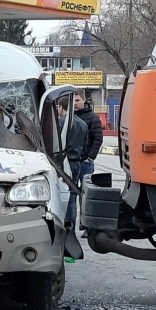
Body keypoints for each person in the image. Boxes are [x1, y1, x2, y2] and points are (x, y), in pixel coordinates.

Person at [57, 96, 87, 228]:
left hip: (64, 164)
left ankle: (65, 226)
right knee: (73, 197)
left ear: (61, 107)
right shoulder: (83, 124)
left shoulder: (60, 122)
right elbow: (85, 146)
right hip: (77, 163)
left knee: (63, 195)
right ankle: (72, 228)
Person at [74, 89, 103, 185]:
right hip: (71, 161)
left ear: (84, 100)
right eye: (73, 100)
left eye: (77, 100)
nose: (75, 103)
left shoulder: (92, 117)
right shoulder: (68, 117)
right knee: (70, 191)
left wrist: (90, 157)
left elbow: (98, 138)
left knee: (86, 190)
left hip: (85, 161)